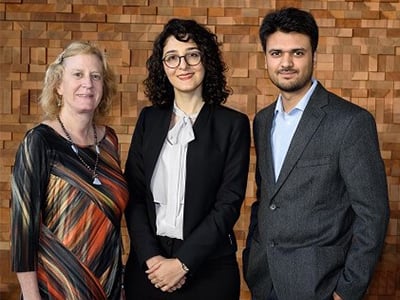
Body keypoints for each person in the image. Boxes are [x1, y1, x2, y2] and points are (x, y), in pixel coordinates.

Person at [243, 7, 390, 300]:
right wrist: (252, 254)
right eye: (276, 53)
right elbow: (268, 198)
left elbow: (373, 214)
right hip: (264, 278)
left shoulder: (349, 122)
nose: (286, 63)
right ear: (265, 58)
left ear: (313, 55)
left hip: (320, 285)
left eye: (297, 52)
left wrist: (346, 290)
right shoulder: (262, 120)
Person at [124, 18, 250, 300]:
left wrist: (183, 263)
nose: (183, 65)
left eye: (192, 54)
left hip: (209, 268)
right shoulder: (149, 120)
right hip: (149, 268)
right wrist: (152, 259)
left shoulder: (233, 124)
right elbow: (134, 195)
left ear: (206, 60)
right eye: (172, 57)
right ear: (162, 66)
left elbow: (228, 204)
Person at [10, 41, 129, 300]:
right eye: (78, 74)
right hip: (55, 290)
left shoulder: (109, 141)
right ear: (58, 86)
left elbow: (111, 226)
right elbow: (23, 230)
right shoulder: (39, 141)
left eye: (95, 76)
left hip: (106, 290)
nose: (88, 83)